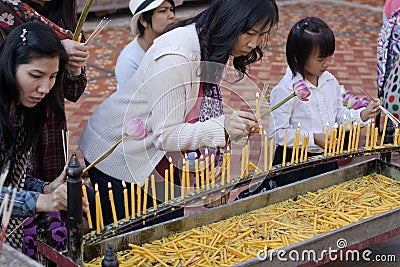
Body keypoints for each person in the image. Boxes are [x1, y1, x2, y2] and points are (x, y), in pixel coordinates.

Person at [79, 0, 279, 226]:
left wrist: (209, 172)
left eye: (261, 35)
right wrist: (222, 127)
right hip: (119, 152)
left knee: (165, 229)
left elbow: (200, 110)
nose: (253, 44)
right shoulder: (176, 56)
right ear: (229, 22)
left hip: (158, 157)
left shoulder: (215, 46)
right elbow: (165, 135)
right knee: (130, 238)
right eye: (250, 33)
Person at [237, 17, 381, 199]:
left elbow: (338, 116)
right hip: (295, 163)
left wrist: (363, 114)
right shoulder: (286, 89)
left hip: (325, 159)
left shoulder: (330, 81)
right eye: (321, 59)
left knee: (325, 202)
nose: (327, 63)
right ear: (298, 57)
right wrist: (312, 139)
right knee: (296, 206)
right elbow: (277, 133)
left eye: (330, 56)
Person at [0, 0, 89, 258]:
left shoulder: (25, 113)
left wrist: (47, 188)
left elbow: (12, 181)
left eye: (52, 77)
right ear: (10, 65)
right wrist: (42, 201)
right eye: (35, 75)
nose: (45, 88)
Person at [115, 0, 182, 89]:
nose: (171, 15)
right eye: (163, 11)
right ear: (143, 20)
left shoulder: (174, 44)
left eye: (171, 9)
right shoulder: (129, 61)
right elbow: (129, 100)